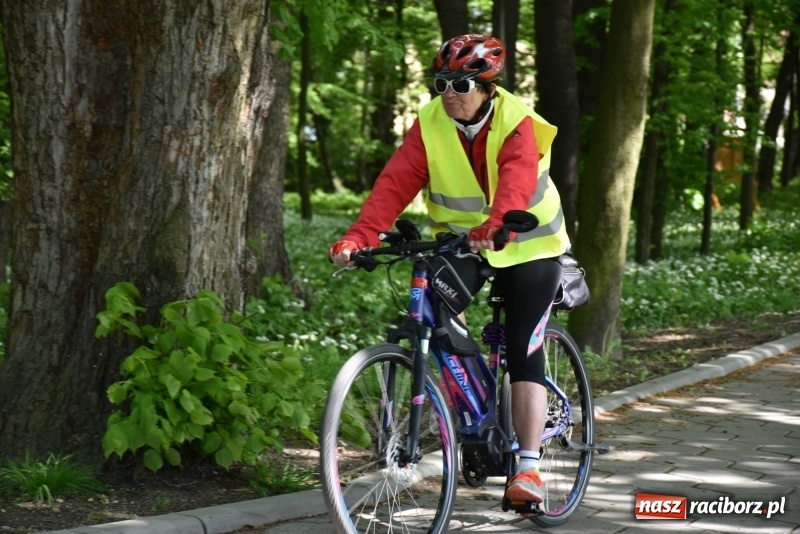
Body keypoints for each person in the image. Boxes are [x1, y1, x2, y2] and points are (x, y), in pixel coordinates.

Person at [329, 34, 570, 507]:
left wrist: (499, 223)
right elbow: (395, 182)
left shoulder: (516, 119)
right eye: (441, 83)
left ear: (486, 87)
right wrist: (361, 236)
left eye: (461, 83)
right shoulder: (432, 122)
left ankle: (528, 468)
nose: (450, 93)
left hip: (529, 242)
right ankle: (474, 415)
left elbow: (519, 175)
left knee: (523, 346)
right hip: (465, 242)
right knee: (432, 311)